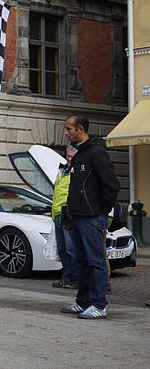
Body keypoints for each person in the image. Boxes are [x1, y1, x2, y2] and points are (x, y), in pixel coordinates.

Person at [59, 114, 119, 320]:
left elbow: (111, 186)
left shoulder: (96, 153)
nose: (66, 132)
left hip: (92, 218)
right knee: (81, 261)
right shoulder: (80, 153)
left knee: (95, 262)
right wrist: (70, 212)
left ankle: (99, 304)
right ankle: (83, 301)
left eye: (69, 129)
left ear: (80, 130)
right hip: (78, 216)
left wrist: (101, 211)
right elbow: (75, 187)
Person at [52, 144, 79, 289]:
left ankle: (75, 279)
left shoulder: (77, 171)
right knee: (62, 249)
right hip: (58, 213)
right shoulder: (63, 170)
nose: (68, 159)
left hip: (69, 213)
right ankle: (66, 278)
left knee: (71, 249)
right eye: (67, 156)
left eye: (71, 157)